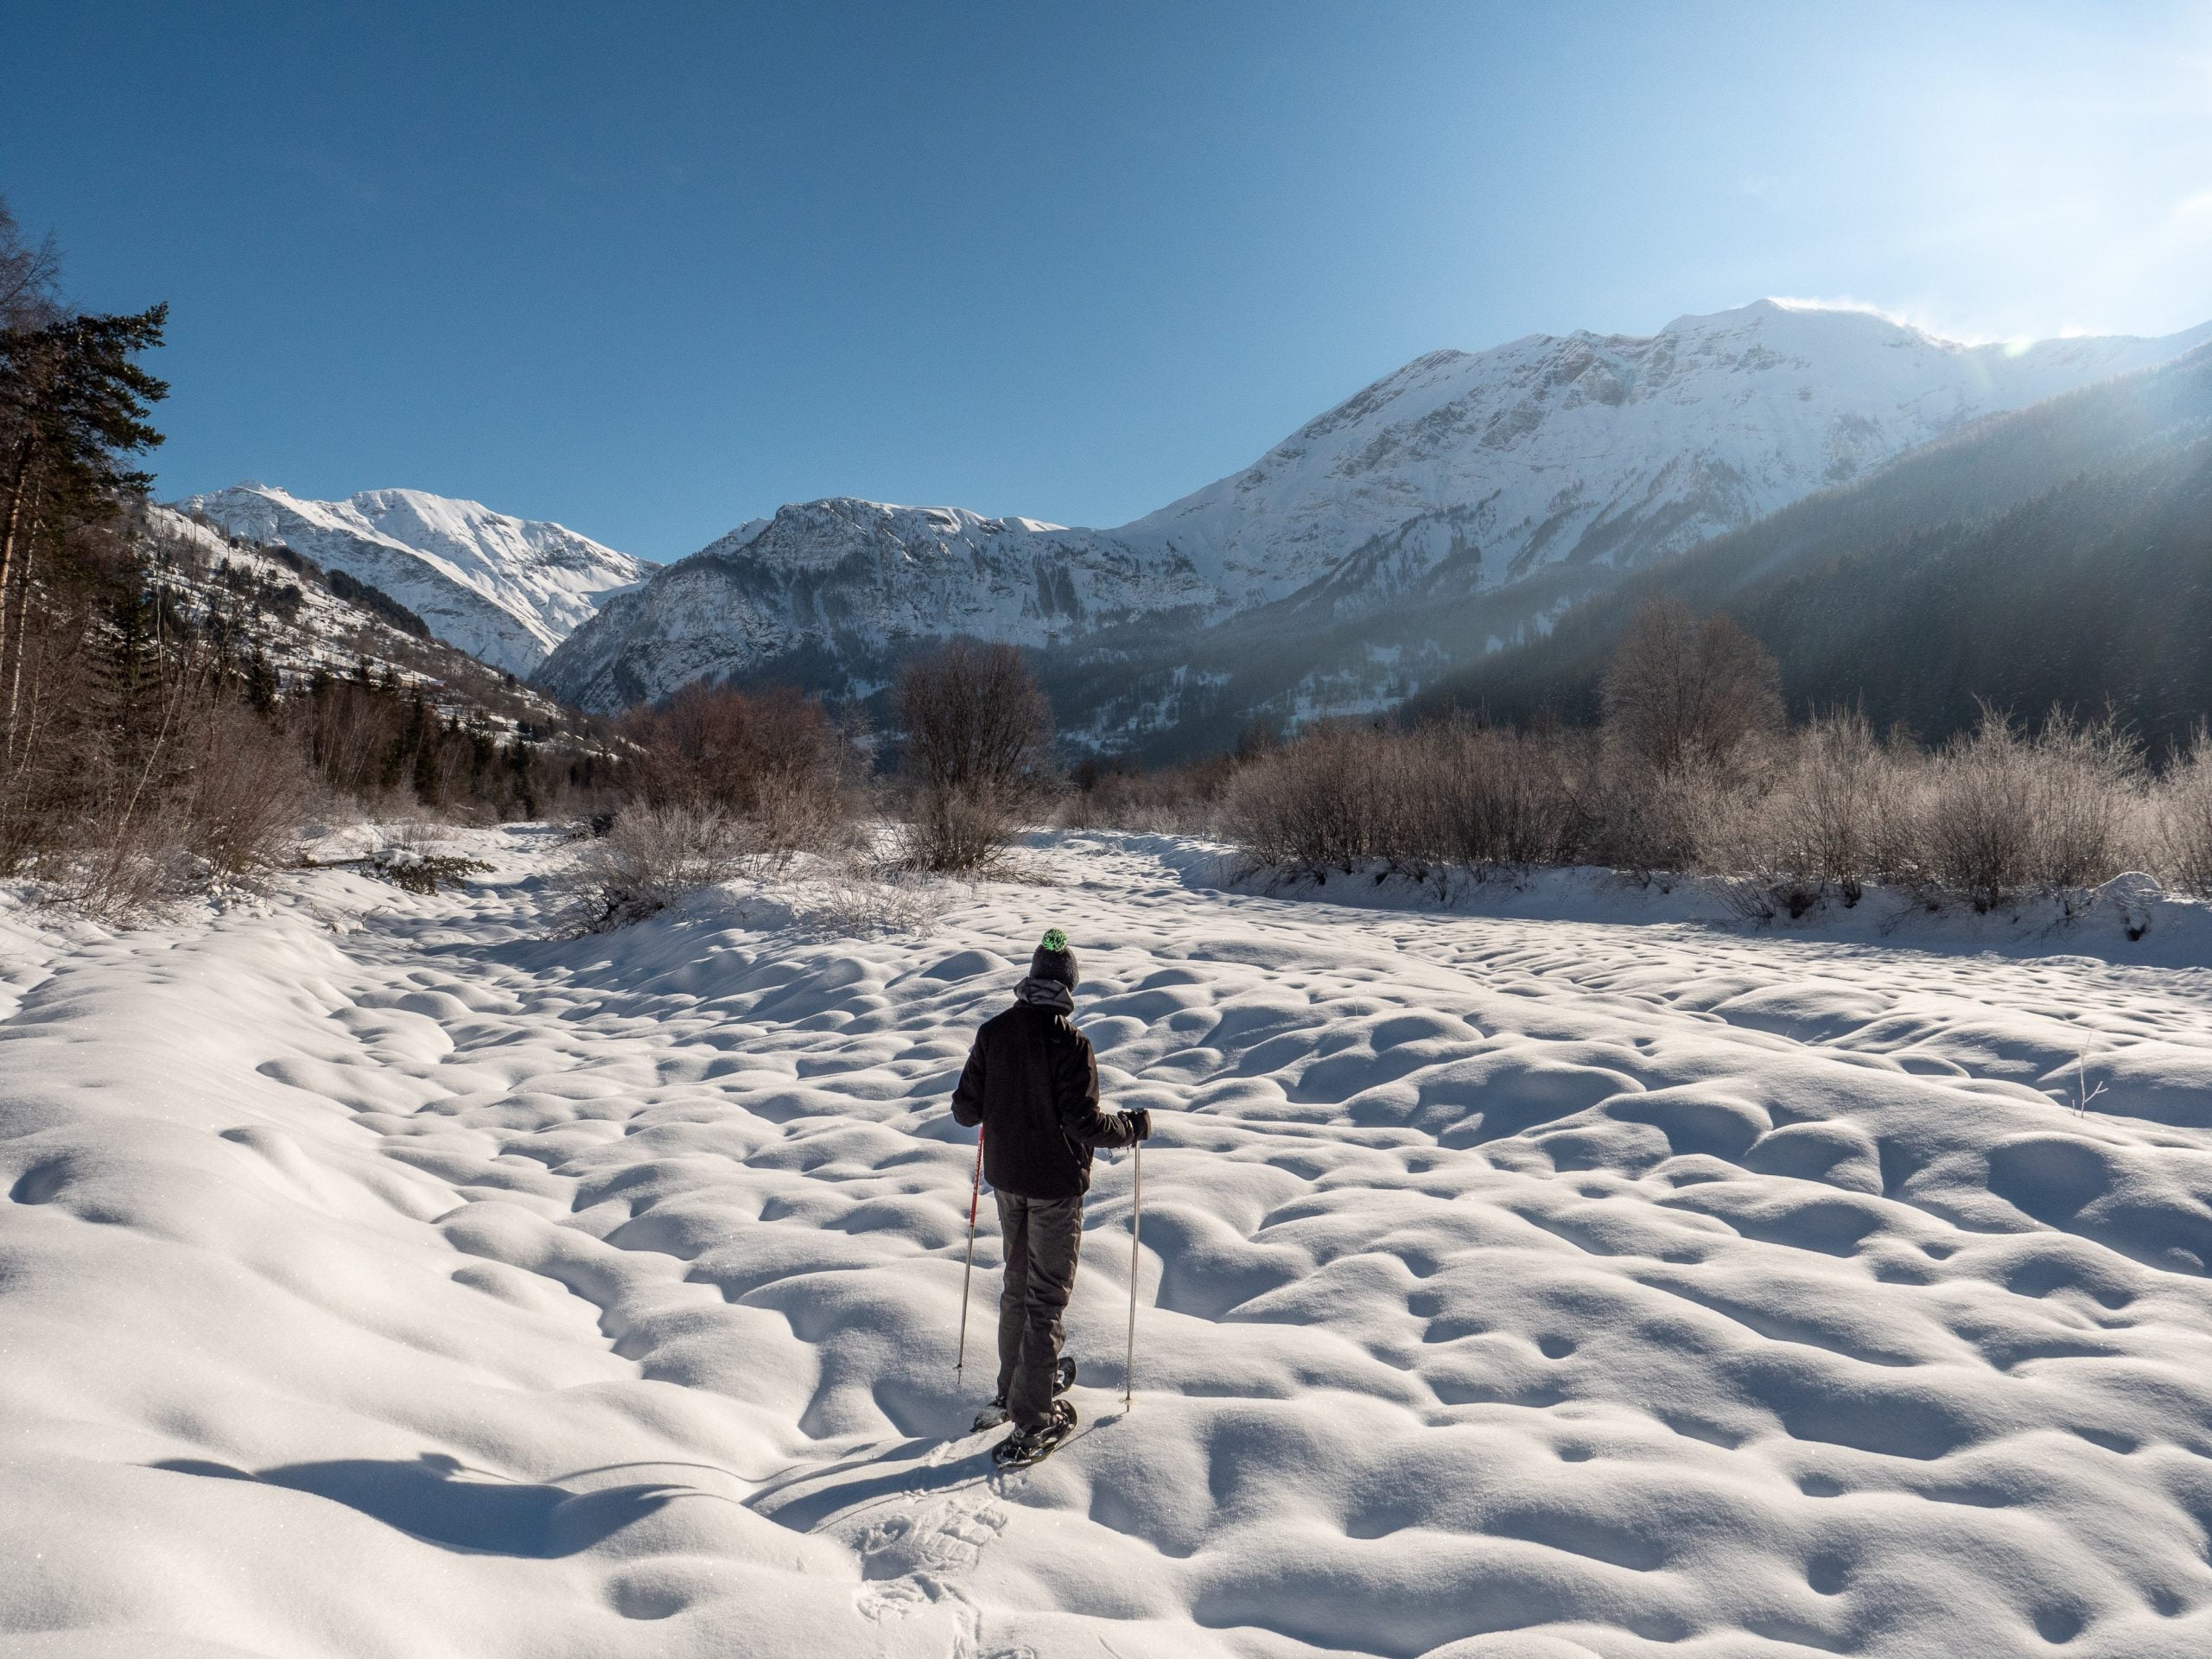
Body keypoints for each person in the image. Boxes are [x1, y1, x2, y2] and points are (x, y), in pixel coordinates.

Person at [951, 927, 1151, 1466]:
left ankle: (1013, 1385)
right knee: (1046, 1297)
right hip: (1055, 1189)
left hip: (1007, 1182)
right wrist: (1130, 1127)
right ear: (1068, 988)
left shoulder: (993, 1032)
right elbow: (1083, 1124)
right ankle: (1033, 1418)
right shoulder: (1072, 1044)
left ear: (1032, 979)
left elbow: (965, 1111)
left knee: (1017, 1287)